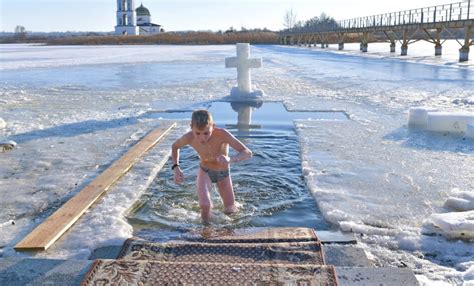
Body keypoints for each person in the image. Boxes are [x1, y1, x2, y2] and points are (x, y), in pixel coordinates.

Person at [171, 110, 252, 222]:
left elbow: (247, 152)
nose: (202, 138)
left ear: (213, 127)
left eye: (206, 133)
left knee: (231, 210)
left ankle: (227, 231)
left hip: (223, 172)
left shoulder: (222, 134)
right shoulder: (189, 137)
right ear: (191, 127)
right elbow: (175, 146)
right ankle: (206, 232)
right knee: (205, 206)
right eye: (197, 133)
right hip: (205, 171)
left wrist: (230, 159)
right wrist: (176, 167)